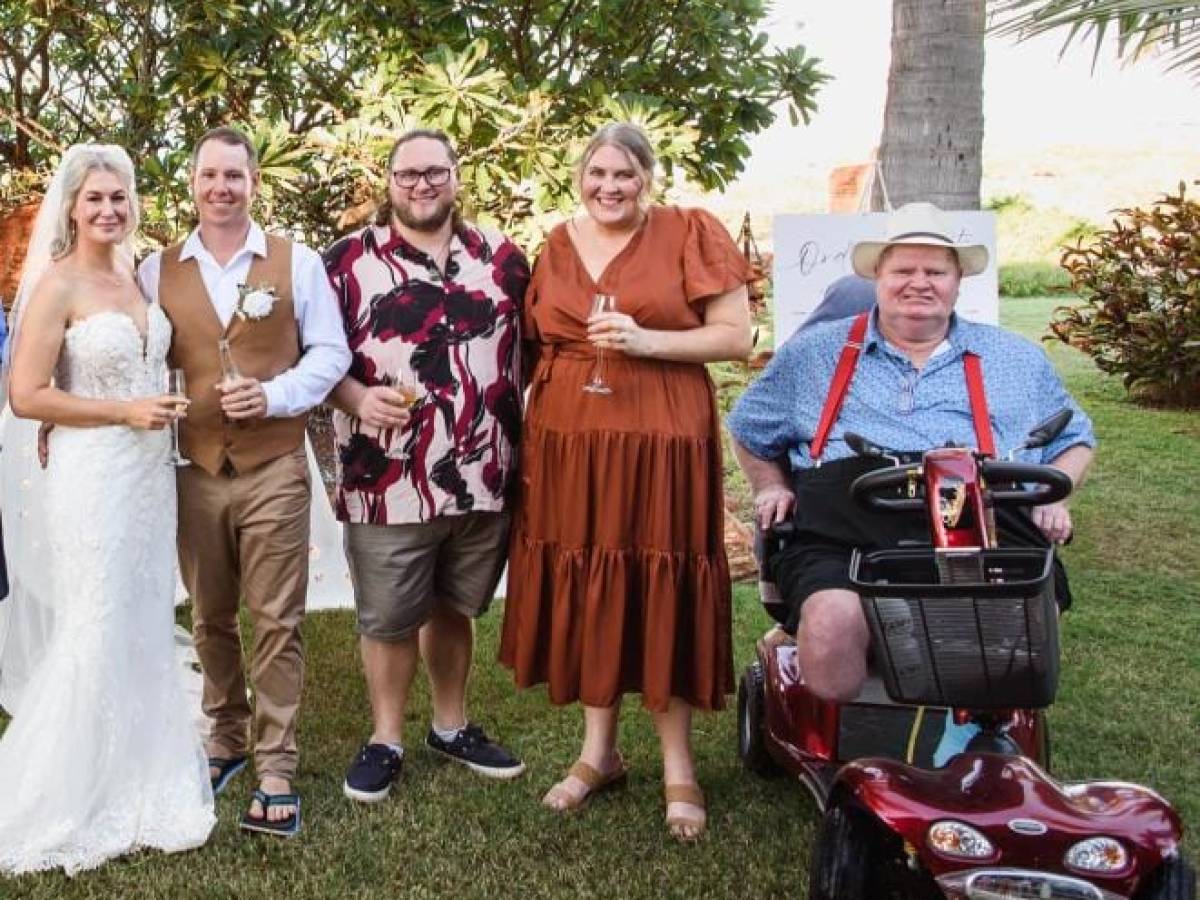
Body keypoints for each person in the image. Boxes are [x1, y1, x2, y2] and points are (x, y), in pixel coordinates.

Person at [728, 201, 1095, 703]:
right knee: (832, 634)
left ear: (957, 281)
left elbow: (1075, 436)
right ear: (878, 276)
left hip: (983, 527)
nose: (918, 282)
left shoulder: (1014, 358)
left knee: (1017, 631)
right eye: (903, 270)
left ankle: (975, 727)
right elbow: (749, 426)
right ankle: (863, 736)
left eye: (935, 271)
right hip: (847, 533)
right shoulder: (815, 354)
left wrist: (1055, 496)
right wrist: (770, 484)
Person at [498, 122, 754, 840]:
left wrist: (647, 341)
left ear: (649, 179)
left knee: (657, 577)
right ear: (580, 176)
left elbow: (736, 337)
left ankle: (679, 766)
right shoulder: (555, 242)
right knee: (591, 582)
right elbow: (533, 339)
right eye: (598, 173)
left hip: (661, 436)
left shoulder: (689, 232)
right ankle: (597, 754)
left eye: (625, 175)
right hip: (570, 441)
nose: (609, 187)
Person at [0, 144, 214, 874]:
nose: (108, 210)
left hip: (150, 474)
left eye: (119, 198)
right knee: (94, 621)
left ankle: (140, 773)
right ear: (71, 206)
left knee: (141, 615)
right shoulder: (57, 285)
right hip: (94, 477)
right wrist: (122, 410)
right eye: (94, 199)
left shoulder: (135, 276)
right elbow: (25, 394)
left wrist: (145, 415)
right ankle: (65, 792)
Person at [138, 126, 351, 837]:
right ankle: (225, 738)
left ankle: (277, 763)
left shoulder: (298, 262)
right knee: (208, 616)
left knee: (277, 619)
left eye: (235, 175)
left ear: (255, 183)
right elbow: (134, 355)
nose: (222, 188)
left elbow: (330, 352)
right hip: (194, 467)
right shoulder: (154, 269)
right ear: (193, 183)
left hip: (275, 466)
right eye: (210, 176)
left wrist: (277, 395)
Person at [324, 129, 528, 804]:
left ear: (456, 177)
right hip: (386, 476)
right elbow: (309, 359)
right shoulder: (345, 263)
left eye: (434, 172)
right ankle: (386, 738)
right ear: (387, 182)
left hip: (481, 471)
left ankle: (451, 724)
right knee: (386, 617)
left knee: (453, 605)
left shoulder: (503, 261)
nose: (421, 184)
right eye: (407, 174)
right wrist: (354, 395)